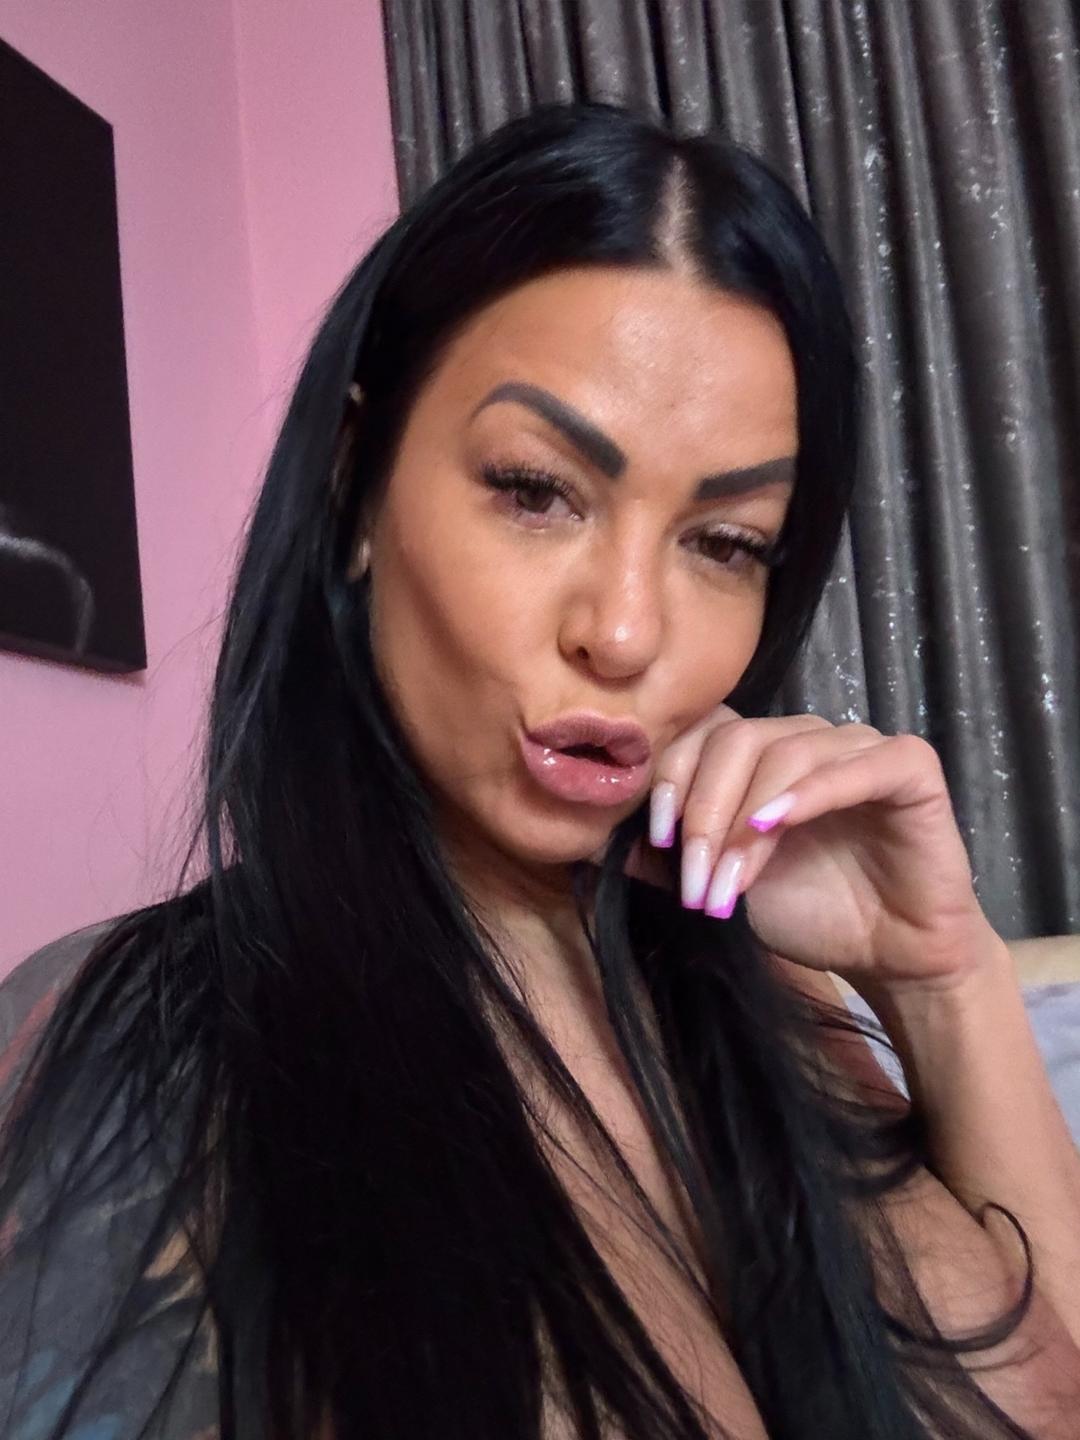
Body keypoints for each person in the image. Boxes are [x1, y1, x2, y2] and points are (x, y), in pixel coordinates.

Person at [1, 98, 1078, 1440]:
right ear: (354, 490)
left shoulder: (779, 1006)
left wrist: (942, 975)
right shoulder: (140, 1041)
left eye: (727, 543)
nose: (625, 633)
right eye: (535, 489)